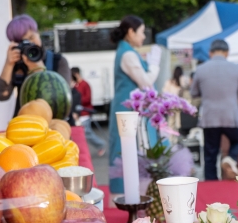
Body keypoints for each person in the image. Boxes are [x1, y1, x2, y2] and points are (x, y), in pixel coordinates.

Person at [109, 15, 161, 193]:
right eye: (141, 32)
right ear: (130, 32)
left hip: (128, 109)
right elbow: (145, 82)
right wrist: (154, 66)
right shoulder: (128, 54)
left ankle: (133, 193)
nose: (143, 36)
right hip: (128, 111)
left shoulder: (127, 51)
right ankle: (131, 195)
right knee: (128, 150)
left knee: (128, 149)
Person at [190, 39, 238, 180]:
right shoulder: (236, 68)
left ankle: (211, 187)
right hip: (231, 115)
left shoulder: (201, 69)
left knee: (210, 154)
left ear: (210, 53)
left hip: (210, 117)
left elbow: (193, 93)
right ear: (226, 52)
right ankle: (230, 158)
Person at [0, 14, 70, 111]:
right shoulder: (18, 64)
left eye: (31, 37)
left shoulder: (58, 61)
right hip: (26, 119)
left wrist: (37, 68)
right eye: (23, 41)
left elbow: (62, 97)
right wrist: (8, 64)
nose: (30, 44)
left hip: (53, 121)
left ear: (38, 33)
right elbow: (2, 95)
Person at [70, 66, 107, 156]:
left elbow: (88, 98)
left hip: (84, 113)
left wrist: (77, 100)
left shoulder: (84, 84)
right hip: (78, 113)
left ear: (77, 74)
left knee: (87, 133)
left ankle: (101, 144)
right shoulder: (75, 86)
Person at [163, 65, 192, 132]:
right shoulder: (183, 79)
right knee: (178, 122)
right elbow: (187, 89)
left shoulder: (169, 82)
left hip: (171, 104)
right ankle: (177, 137)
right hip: (180, 104)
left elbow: (165, 93)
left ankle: (171, 138)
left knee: (171, 122)